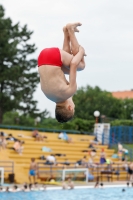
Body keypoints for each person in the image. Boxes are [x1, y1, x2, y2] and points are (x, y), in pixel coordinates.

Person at [38, 22, 86, 123]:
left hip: (53, 57)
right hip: (42, 59)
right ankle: (66, 32)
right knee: (66, 66)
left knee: (81, 66)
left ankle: (71, 30)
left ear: (70, 108)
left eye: (74, 108)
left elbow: (73, 63)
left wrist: (81, 51)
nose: (74, 105)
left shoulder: (69, 92)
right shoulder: (50, 96)